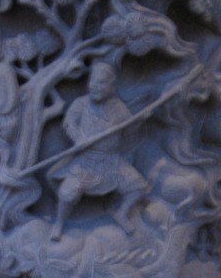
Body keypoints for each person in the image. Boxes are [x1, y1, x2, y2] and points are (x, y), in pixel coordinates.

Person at [50, 62, 148, 238]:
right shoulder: (81, 104)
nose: (95, 86)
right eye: (93, 81)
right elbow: (68, 123)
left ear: (111, 86)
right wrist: (78, 138)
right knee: (66, 194)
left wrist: (139, 120)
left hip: (112, 162)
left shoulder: (118, 107)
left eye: (101, 83)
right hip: (86, 161)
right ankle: (59, 223)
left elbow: (128, 130)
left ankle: (121, 214)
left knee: (138, 187)